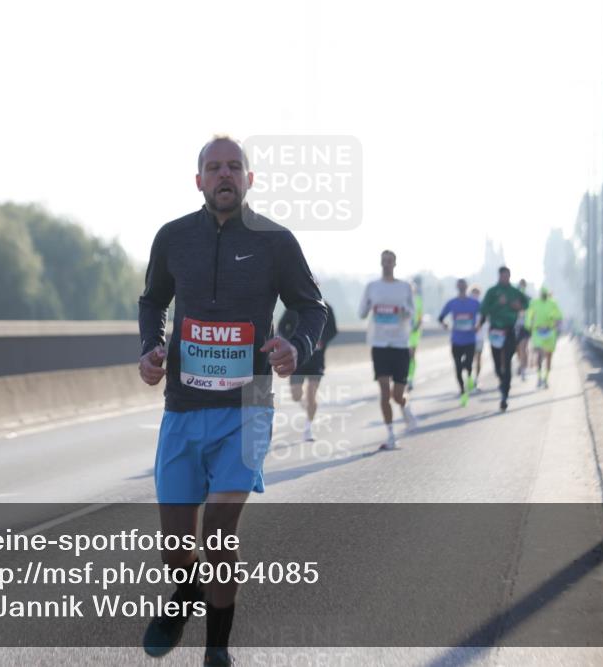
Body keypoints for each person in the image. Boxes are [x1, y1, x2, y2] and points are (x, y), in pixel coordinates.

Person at [138, 135, 327, 667]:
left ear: (249, 178)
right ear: (198, 179)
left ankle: (217, 650)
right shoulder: (172, 238)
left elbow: (312, 308)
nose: (225, 175)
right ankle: (186, 591)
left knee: (218, 532)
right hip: (182, 407)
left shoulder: (276, 241)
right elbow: (152, 301)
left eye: (234, 167)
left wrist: (296, 344)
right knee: (178, 552)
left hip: (248, 406)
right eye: (214, 168)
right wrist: (151, 348)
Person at [359, 250, 418, 450]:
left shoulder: (404, 287)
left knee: (397, 395)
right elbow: (361, 313)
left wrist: (403, 311)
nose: (386, 264)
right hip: (379, 344)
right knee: (384, 391)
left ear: (395, 263)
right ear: (380, 263)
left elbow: (413, 313)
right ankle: (391, 434)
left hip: (400, 344)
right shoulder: (372, 287)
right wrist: (370, 307)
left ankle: (406, 408)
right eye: (384, 261)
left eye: (390, 261)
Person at [278, 299, 338, 441]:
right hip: (298, 359)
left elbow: (333, 330)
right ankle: (309, 407)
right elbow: (282, 327)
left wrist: (322, 340)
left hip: (316, 360)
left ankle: (308, 429)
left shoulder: (326, 307)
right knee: (296, 396)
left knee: (311, 395)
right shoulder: (293, 307)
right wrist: (291, 342)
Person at [478, 266, 530, 411]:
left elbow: (526, 304)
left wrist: (518, 306)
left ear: (510, 276)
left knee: (507, 362)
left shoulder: (514, 292)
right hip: (495, 331)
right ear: (499, 276)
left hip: (509, 330)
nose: (505, 278)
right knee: (497, 363)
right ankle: (501, 379)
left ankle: (505, 395)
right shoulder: (492, 292)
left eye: (508, 276)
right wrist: (497, 304)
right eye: (503, 276)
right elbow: (483, 310)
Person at [438, 279, 481, 406]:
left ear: (466, 286)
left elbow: (484, 314)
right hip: (456, 340)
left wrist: (479, 325)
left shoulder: (474, 303)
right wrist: (444, 324)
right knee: (457, 368)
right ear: (457, 286)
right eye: (460, 284)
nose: (462, 286)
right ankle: (462, 390)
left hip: (470, 339)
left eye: (464, 284)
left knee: (468, 364)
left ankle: (469, 378)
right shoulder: (452, 303)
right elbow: (441, 317)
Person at [525, 286, 564, 388]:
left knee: (549, 356)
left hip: (550, 332)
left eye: (545, 294)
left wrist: (555, 321)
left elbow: (559, 316)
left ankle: (546, 379)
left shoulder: (553, 303)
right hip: (537, 331)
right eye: (542, 294)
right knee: (539, 354)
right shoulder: (534, 303)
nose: (544, 296)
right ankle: (539, 378)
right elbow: (529, 314)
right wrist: (528, 325)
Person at [407, 275, 424, 391]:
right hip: (402, 334)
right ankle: (403, 376)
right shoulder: (401, 300)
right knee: (403, 357)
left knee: (411, 356)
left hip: (414, 333)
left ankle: (410, 378)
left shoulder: (418, 300)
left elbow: (420, 317)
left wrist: (416, 327)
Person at [469, 286, 486, 392]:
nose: (475, 295)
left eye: (477, 293)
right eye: (473, 293)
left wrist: (479, 326)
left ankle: (476, 379)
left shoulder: (482, 306)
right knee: (470, 359)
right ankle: (470, 380)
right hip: (468, 338)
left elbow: (484, 318)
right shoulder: (467, 305)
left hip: (479, 336)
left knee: (478, 358)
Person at [515, 278, 532, 381]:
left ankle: (523, 369)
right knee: (518, 349)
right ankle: (521, 364)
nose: (522, 286)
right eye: (520, 285)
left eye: (523, 285)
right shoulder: (514, 298)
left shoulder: (528, 299)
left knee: (523, 347)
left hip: (525, 326)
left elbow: (533, 312)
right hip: (516, 326)